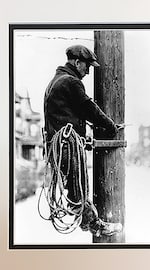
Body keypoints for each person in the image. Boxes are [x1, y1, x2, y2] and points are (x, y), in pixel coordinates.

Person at [43, 45, 122, 237]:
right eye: (87, 66)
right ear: (77, 62)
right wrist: (111, 126)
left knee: (75, 186)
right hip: (67, 146)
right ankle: (94, 225)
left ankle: (87, 222)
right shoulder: (72, 82)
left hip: (58, 147)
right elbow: (89, 109)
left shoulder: (55, 81)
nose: (88, 71)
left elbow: (67, 113)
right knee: (78, 186)